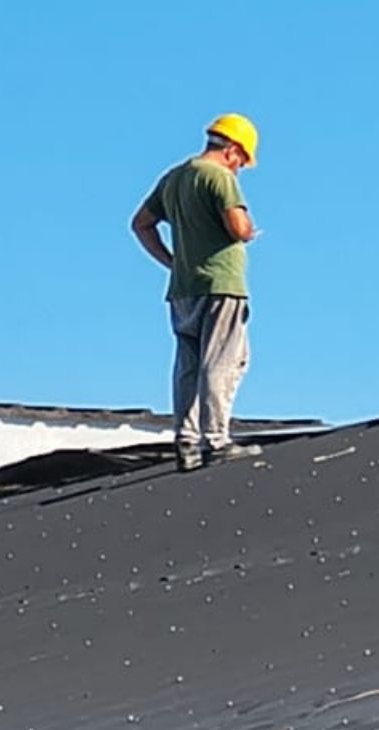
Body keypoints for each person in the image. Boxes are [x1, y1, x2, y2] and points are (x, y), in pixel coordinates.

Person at [131, 113, 265, 471]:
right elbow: (237, 227)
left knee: (188, 365)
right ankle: (216, 440)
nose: (240, 168)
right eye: (242, 161)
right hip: (221, 285)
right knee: (223, 360)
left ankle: (186, 441)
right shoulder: (219, 177)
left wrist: (172, 262)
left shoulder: (175, 178)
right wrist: (249, 231)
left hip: (183, 289)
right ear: (233, 151)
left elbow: (140, 224)